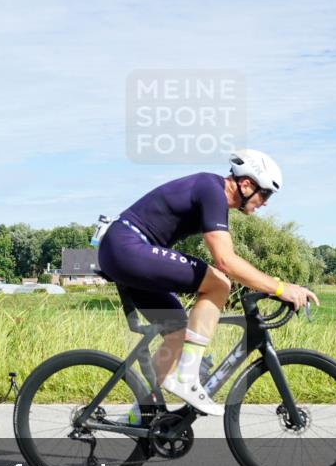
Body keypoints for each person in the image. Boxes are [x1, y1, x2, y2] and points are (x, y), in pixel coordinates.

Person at [96, 149, 319, 417]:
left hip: (123, 252)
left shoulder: (211, 194)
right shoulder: (212, 190)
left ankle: (141, 414)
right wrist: (281, 288)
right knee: (219, 283)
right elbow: (226, 261)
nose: (265, 203)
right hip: (128, 247)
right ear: (246, 184)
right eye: (265, 194)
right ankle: (187, 378)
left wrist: (274, 286)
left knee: (178, 333)